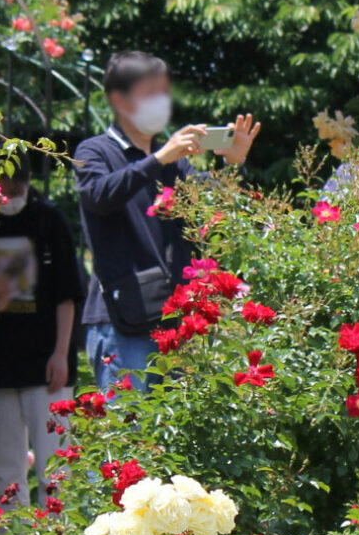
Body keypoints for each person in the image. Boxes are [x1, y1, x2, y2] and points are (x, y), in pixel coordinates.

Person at [74, 51, 257, 393]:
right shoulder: (94, 151)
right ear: (119, 99)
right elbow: (98, 195)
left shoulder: (174, 163)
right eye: (150, 94)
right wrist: (159, 158)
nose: (161, 104)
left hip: (174, 321)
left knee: (179, 426)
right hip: (122, 321)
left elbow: (215, 204)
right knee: (130, 423)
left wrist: (233, 165)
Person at [0, 156, 84, 531]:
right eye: (0, 189)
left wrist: (61, 354)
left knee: (54, 465)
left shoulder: (48, 218)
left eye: (14, 188)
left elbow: (68, 294)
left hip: (48, 361)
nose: (8, 196)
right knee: (6, 466)